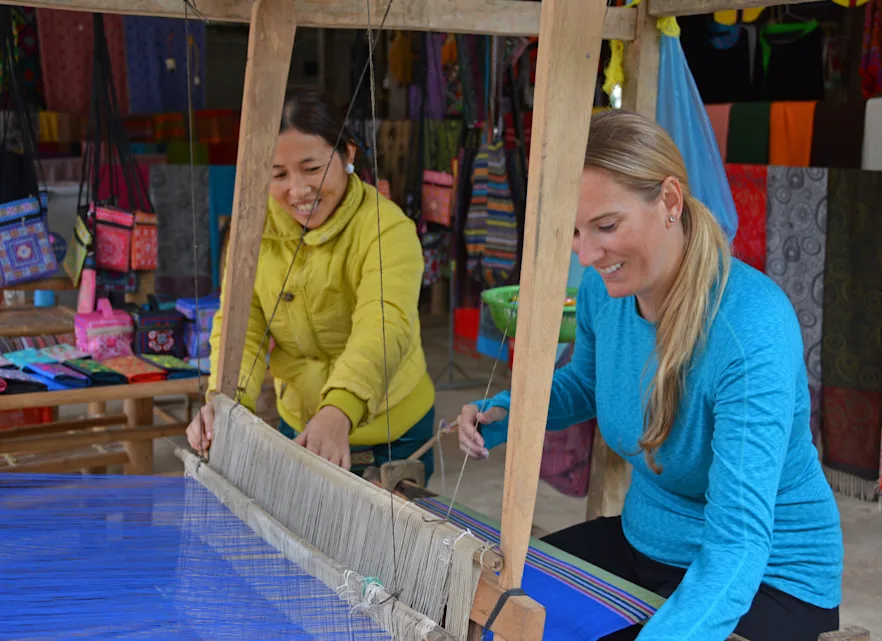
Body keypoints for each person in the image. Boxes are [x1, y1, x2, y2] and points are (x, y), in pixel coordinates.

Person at [455, 110, 843, 641]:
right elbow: (590, 383)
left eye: (606, 226)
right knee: (487, 604)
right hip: (649, 545)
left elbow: (738, 546)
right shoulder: (605, 292)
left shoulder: (751, 331)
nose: (587, 254)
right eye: (574, 230)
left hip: (769, 581)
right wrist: (505, 414)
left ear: (669, 202)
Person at [187, 87, 436, 483]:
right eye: (278, 174)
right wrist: (224, 402)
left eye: (312, 168)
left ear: (347, 154)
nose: (298, 191)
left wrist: (339, 409)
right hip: (300, 424)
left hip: (390, 433)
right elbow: (242, 323)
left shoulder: (387, 230)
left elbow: (384, 327)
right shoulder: (253, 228)